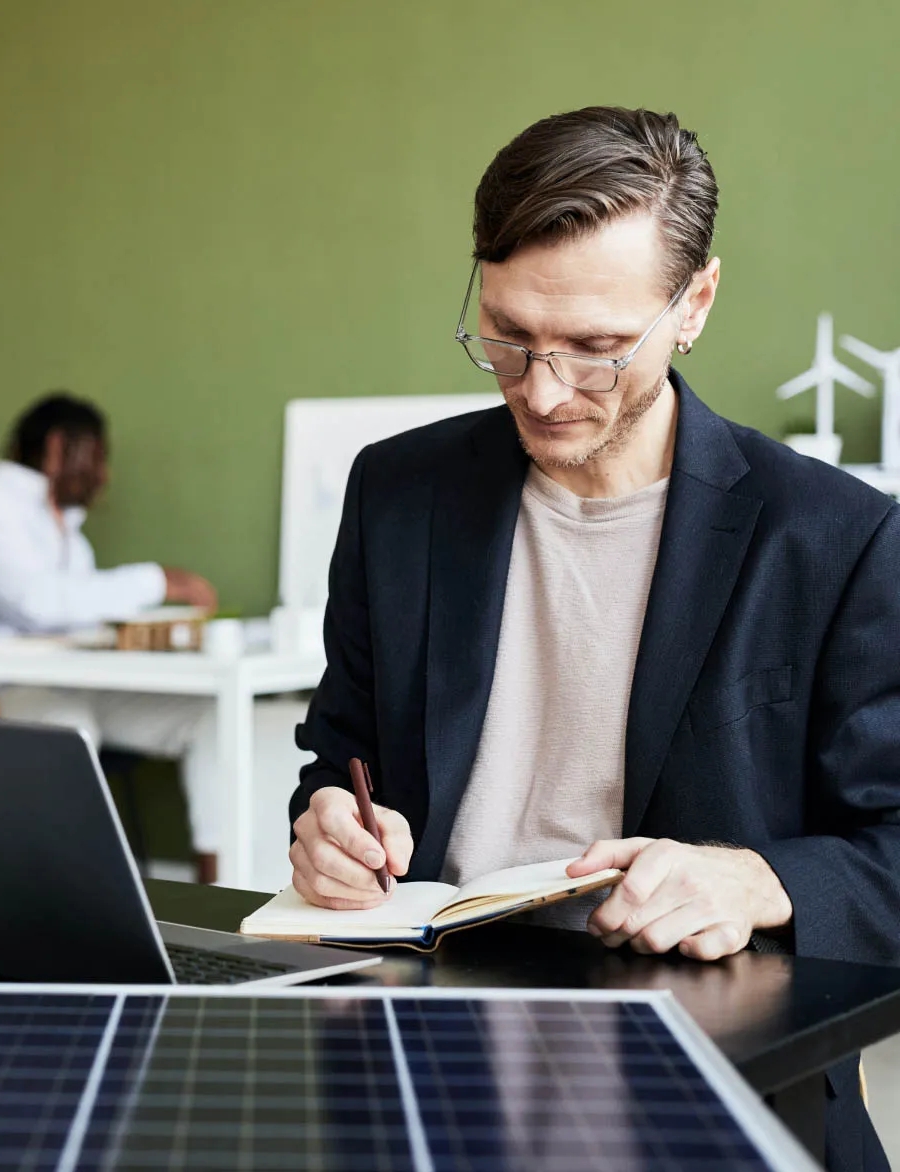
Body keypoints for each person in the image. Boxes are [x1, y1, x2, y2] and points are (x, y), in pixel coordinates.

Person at [288, 107, 899, 1169]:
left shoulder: (835, 537)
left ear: (695, 302)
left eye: (598, 349)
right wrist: (327, 822)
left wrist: (758, 879)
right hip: (431, 1052)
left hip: (710, 1072)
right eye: (508, 336)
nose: (544, 389)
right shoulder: (398, 494)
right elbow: (335, 756)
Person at [0, 393, 221, 879]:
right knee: (70, 735)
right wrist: (156, 580)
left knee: (210, 718)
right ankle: (62, 893)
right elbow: (37, 603)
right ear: (57, 447)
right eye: (96, 454)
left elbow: (77, 616)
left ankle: (223, 877)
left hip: (83, 686)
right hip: (11, 693)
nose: (104, 474)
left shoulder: (72, 534)